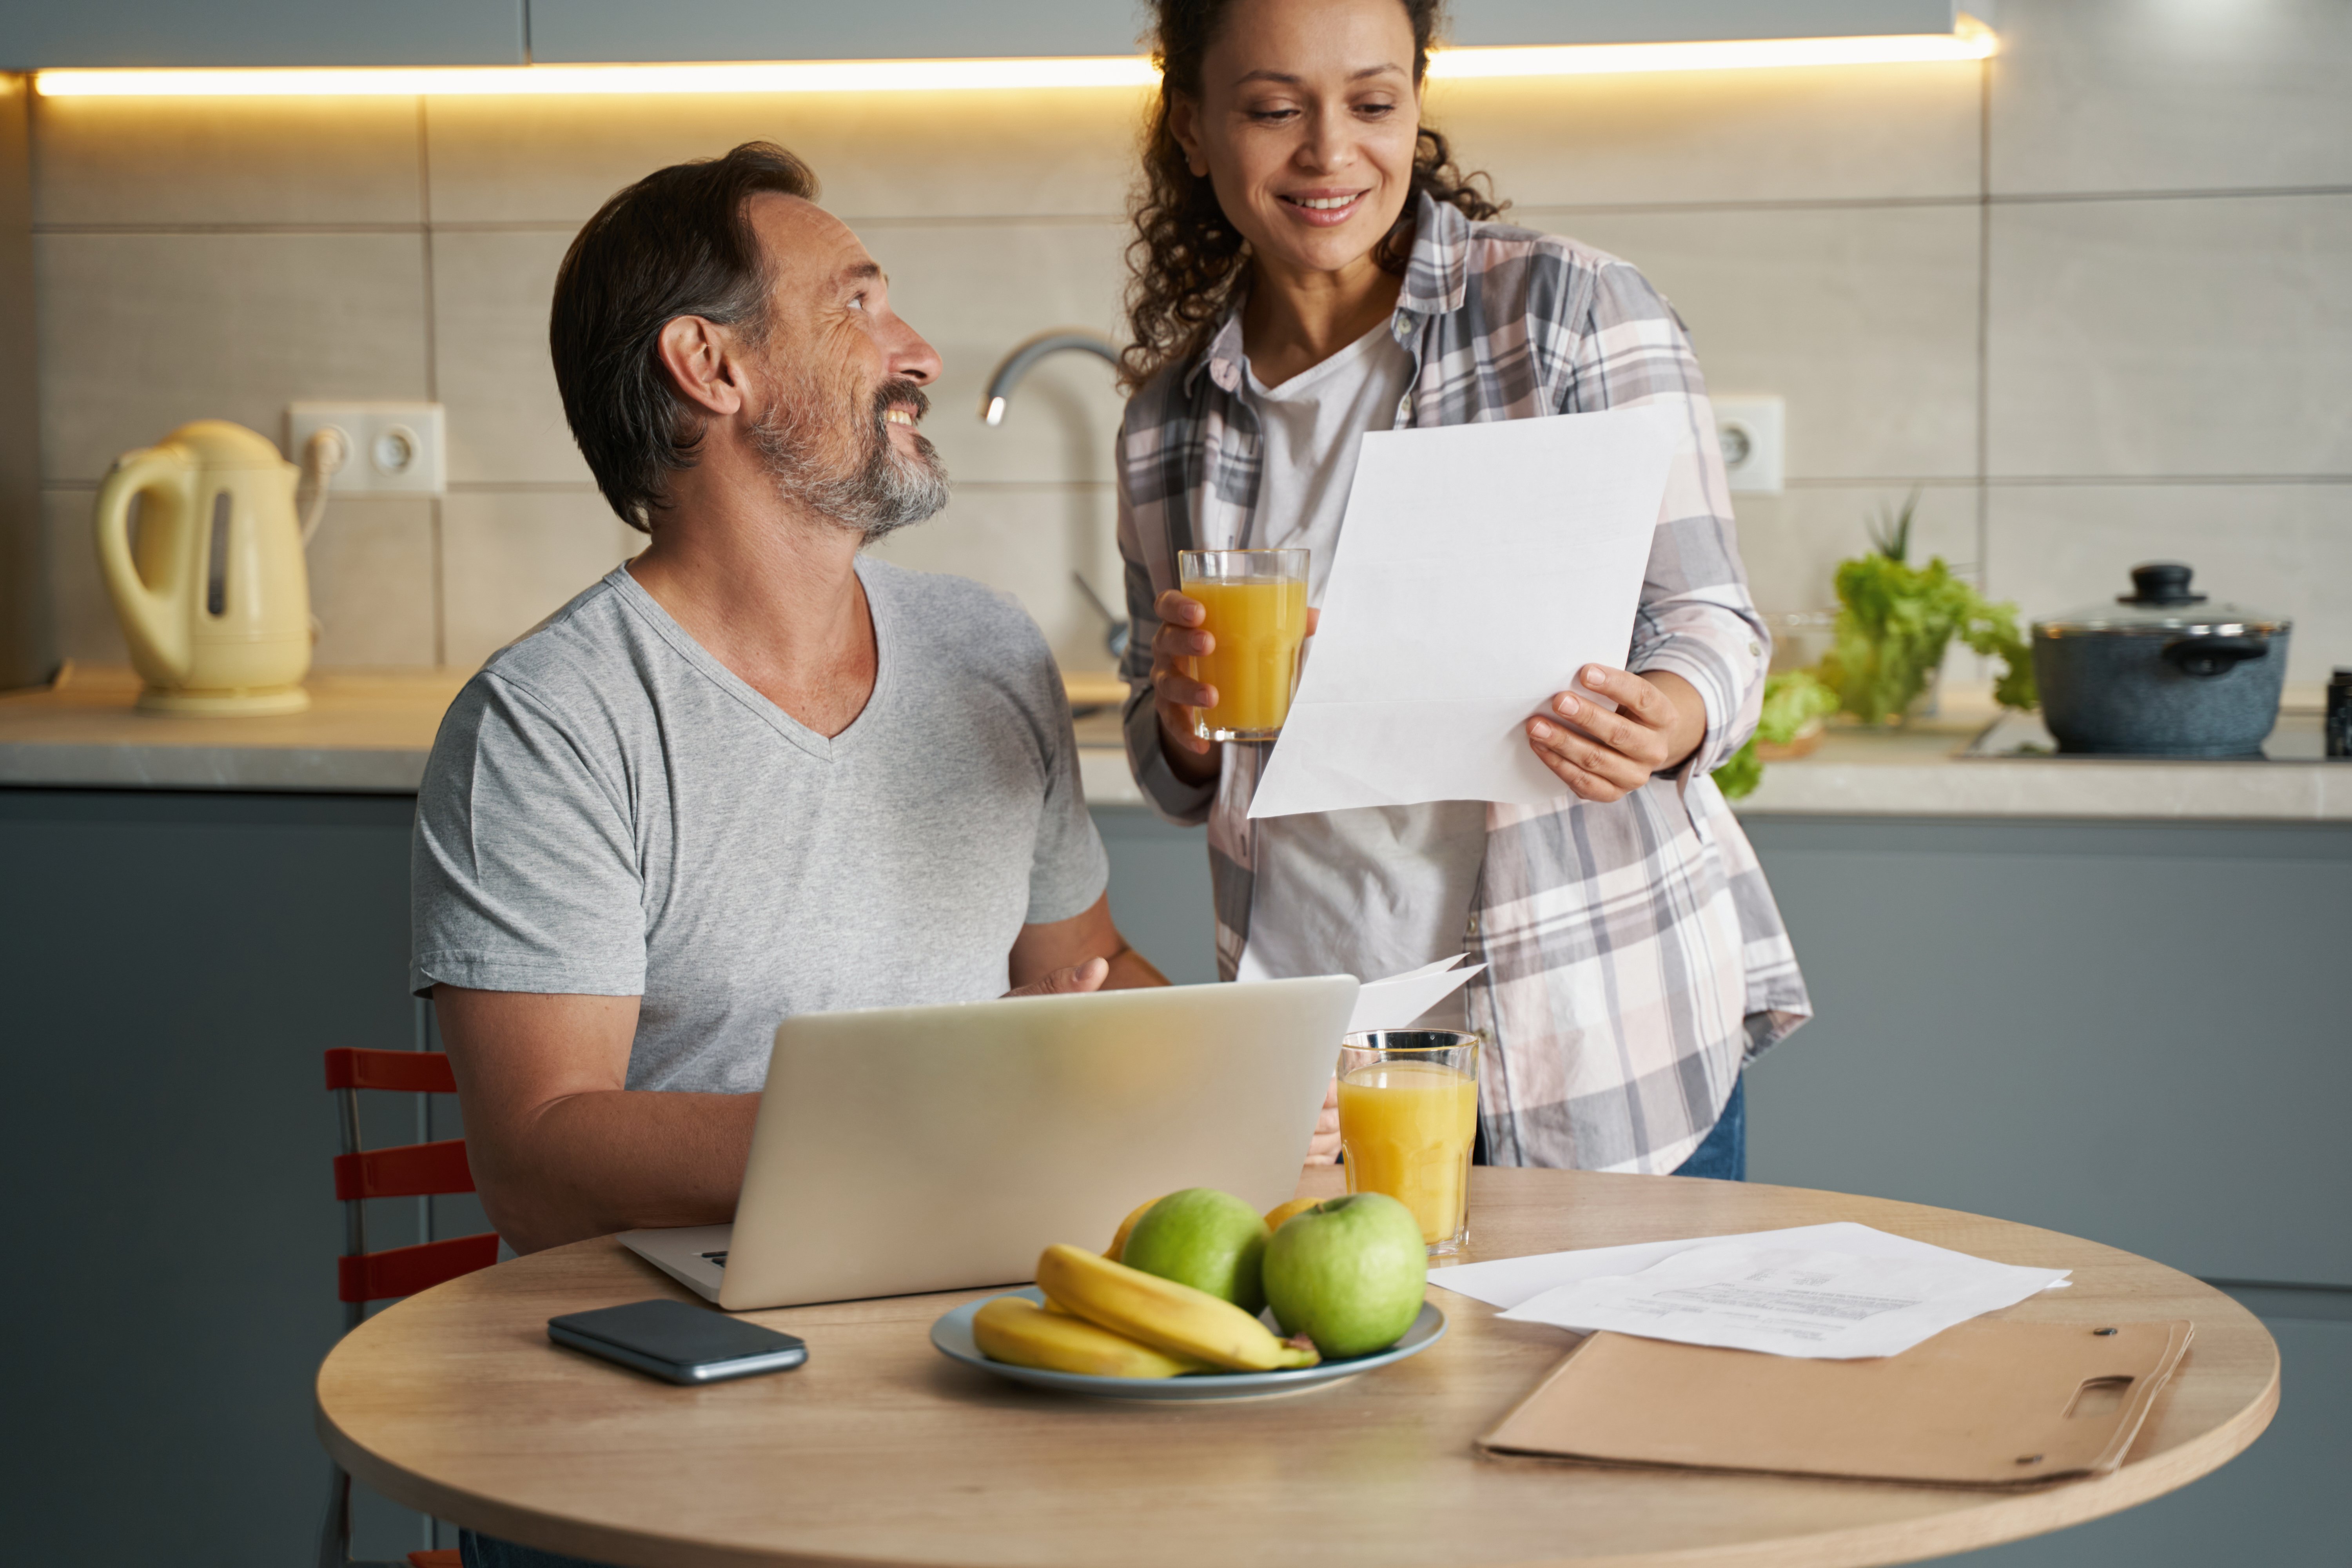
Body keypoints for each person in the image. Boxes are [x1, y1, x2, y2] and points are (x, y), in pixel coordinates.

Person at [414, 140, 1163, 1270]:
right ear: (711, 366)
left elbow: (1086, 964)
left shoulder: (988, 649)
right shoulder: (548, 724)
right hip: (686, 1329)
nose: (920, 355)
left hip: (983, 1293)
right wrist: (928, 1109)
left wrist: (1239, 1079)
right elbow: (537, 1165)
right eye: (857, 308)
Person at [1115, 0, 1811, 1179]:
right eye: (1274, 109)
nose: (1331, 152)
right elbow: (1166, 754)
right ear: (1192, 128)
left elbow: (1713, 623)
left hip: (1593, 1038)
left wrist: (1669, 715)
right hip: (1327, 1058)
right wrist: (1184, 723)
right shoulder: (1166, 422)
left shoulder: (1570, 310)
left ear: (1416, 109)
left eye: (1374, 104)